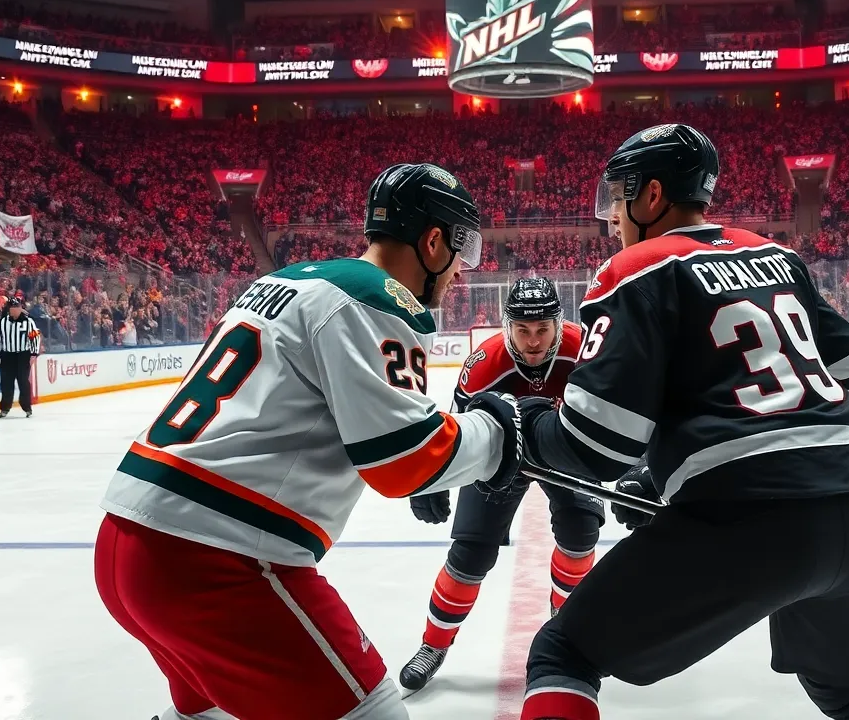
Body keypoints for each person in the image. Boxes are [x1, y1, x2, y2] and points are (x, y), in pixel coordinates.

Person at [92, 163, 533, 720]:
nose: (459, 274)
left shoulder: (288, 278)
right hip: (217, 560)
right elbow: (404, 462)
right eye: (460, 253)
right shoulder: (377, 298)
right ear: (432, 240)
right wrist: (501, 427)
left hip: (125, 545)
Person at [513, 124, 849, 720]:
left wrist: (519, 429)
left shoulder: (639, 266)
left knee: (564, 652)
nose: (613, 219)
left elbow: (598, 441)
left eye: (619, 198)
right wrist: (664, 477)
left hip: (746, 516)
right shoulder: (777, 255)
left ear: (652, 195)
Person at [398, 278, 591, 691]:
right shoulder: (484, 362)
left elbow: (623, 410)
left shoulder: (585, 350)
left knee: (580, 535)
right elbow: (452, 429)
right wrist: (432, 480)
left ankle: (567, 633)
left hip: (565, 450)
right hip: (501, 456)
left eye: (543, 330)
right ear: (507, 327)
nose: (534, 341)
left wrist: (638, 467)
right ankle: (433, 644)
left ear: (560, 324)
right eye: (523, 330)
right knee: (470, 553)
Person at [0, 298, 41, 418]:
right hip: (7, 355)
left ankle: (26, 407)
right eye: (12, 307)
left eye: (17, 307)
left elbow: (35, 336)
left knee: (23, 381)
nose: (14, 310)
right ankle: (5, 407)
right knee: (6, 383)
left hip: (23, 354)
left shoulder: (28, 322)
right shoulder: (2, 322)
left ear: (20, 308)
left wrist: (34, 353)